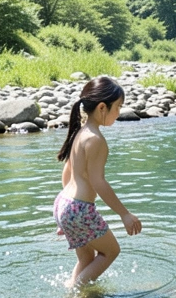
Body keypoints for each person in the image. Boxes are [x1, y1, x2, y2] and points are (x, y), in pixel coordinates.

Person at [55, 75, 142, 287]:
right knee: (111, 251)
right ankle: (76, 291)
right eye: (118, 107)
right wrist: (125, 214)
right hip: (79, 208)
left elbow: (68, 170)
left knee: (87, 258)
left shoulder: (80, 133)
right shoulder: (96, 139)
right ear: (102, 107)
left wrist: (65, 216)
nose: (119, 113)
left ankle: (73, 288)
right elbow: (98, 182)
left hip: (64, 203)